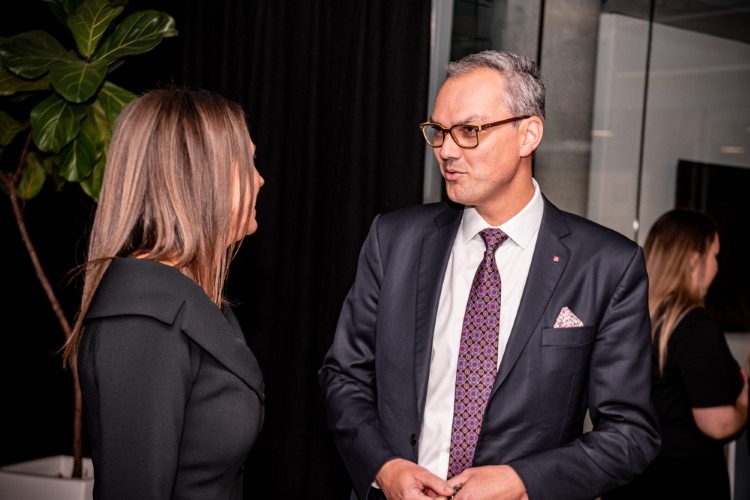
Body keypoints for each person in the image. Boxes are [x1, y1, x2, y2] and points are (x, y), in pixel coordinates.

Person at [318, 50, 660, 500]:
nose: (446, 150)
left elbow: (630, 433)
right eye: (439, 131)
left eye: (469, 131)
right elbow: (343, 375)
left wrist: (522, 482)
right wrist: (384, 467)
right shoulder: (394, 240)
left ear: (528, 134)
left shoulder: (606, 264)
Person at [61, 87, 266, 499]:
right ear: (201, 176)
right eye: (247, 161)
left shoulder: (188, 300)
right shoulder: (144, 322)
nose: (260, 179)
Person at [603, 209, 748, 500]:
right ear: (694, 260)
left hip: (629, 477)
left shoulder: (625, 316)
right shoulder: (695, 326)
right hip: (683, 483)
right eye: (714, 255)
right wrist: (745, 401)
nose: (717, 266)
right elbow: (717, 424)